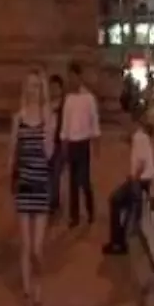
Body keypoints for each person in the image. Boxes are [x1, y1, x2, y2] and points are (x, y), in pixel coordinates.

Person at [9, 71, 52, 306]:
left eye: (37, 86)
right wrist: (9, 177)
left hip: (41, 185)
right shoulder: (19, 118)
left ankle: (38, 286)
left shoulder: (48, 118)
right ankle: (27, 293)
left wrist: (48, 126)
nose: (33, 90)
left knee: (38, 248)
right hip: (24, 185)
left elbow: (48, 154)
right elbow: (13, 151)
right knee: (25, 245)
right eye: (30, 86)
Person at [103, 112, 154, 255]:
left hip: (139, 180)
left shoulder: (139, 138)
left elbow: (142, 162)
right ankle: (119, 241)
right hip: (142, 179)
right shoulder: (140, 137)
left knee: (118, 202)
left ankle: (119, 242)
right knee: (125, 206)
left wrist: (133, 178)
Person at [60, 61, 100, 227]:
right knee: (72, 182)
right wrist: (64, 142)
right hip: (72, 144)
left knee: (84, 180)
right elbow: (65, 123)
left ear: (79, 76)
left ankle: (90, 210)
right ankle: (74, 216)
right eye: (69, 77)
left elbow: (94, 121)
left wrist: (96, 143)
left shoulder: (89, 98)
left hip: (83, 143)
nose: (72, 80)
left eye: (73, 76)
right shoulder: (68, 99)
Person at [46, 74, 66, 216]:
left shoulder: (65, 106)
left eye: (56, 88)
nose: (53, 90)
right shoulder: (45, 105)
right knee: (48, 174)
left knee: (55, 174)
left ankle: (54, 203)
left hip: (59, 144)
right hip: (46, 143)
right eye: (51, 88)